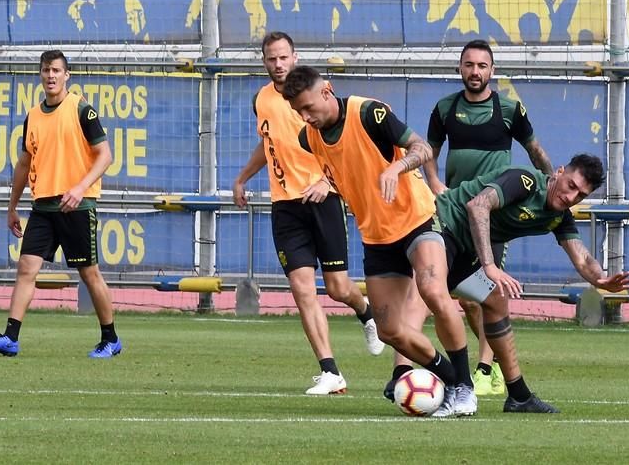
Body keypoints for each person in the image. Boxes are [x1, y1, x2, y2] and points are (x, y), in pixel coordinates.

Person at [282, 65, 477, 417]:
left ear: (327, 89)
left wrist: (396, 168)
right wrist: (329, 184)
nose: (306, 117)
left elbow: (422, 148)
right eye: (299, 112)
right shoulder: (307, 138)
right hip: (376, 238)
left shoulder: (369, 112)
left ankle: (465, 387)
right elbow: (346, 171)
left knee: (434, 291)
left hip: (418, 220)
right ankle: (450, 380)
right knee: (389, 331)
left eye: (309, 107)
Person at [232, 32, 385, 396]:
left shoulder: (316, 94)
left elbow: (345, 144)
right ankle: (330, 371)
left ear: (295, 56)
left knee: (337, 288)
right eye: (271, 59)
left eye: (284, 57)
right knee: (302, 289)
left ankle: (365, 312)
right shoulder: (262, 99)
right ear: (264, 61)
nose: (278, 64)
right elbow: (269, 143)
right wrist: (242, 177)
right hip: (285, 207)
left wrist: (330, 185)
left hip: (323, 200)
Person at [435, 153, 629, 412]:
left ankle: (519, 396)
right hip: (439, 226)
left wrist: (600, 279)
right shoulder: (525, 181)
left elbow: (583, 258)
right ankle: (441, 380)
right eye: (571, 186)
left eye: (581, 196)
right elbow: (478, 206)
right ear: (559, 172)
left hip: (462, 250)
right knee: (419, 303)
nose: (570, 197)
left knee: (495, 299)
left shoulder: (558, 216)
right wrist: (489, 266)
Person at [423, 38, 554, 397]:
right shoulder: (445, 108)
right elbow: (428, 153)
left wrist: (551, 182)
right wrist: (434, 183)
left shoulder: (510, 110)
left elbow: (535, 151)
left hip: (490, 215)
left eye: (482, 65)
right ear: (460, 69)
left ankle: (486, 369)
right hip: (452, 212)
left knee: (486, 292)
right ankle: (487, 366)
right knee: (464, 295)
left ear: (492, 71)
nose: (475, 71)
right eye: (469, 65)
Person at [0, 50, 121, 358]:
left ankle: (111, 339)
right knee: (26, 268)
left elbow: (106, 155)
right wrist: (12, 207)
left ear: (67, 75)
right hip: (43, 207)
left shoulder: (81, 109)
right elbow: (24, 163)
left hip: (77, 205)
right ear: (40, 75)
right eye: (46, 70)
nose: (51, 76)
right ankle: (11, 337)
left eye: (56, 71)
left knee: (89, 274)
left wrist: (80, 187)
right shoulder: (33, 116)